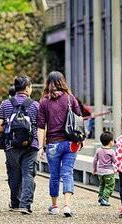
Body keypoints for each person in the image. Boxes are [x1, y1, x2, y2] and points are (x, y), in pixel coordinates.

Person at [37, 71, 82, 218]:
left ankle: (55, 205)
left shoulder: (44, 102)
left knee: (54, 175)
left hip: (53, 144)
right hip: (70, 143)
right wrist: (80, 140)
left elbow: (41, 126)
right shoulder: (70, 98)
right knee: (68, 172)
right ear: (63, 82)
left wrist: (40, 146)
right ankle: (67, 206)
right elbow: (79, 120)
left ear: (48, 83)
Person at [0, 75, 40, 214]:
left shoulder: (6, 104)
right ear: (27, 88)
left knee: (14, 174)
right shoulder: (35, 105)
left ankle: (15, 203)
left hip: (11, 145)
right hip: (31, 145)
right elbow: (40, 126)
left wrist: (8, 131)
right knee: (28, 174)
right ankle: (25, 205)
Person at [93, 131, 116, 206]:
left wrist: (94, 169)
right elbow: (115, 161)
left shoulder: (98, 150)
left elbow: (95, 161)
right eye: (113, 140)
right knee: (110, 186)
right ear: (110, 142)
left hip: (100, 172)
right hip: (109, 172)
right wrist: (117, 168)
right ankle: (105, 199)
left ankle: (100, 197)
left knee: (102, 185)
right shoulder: (111, 151)